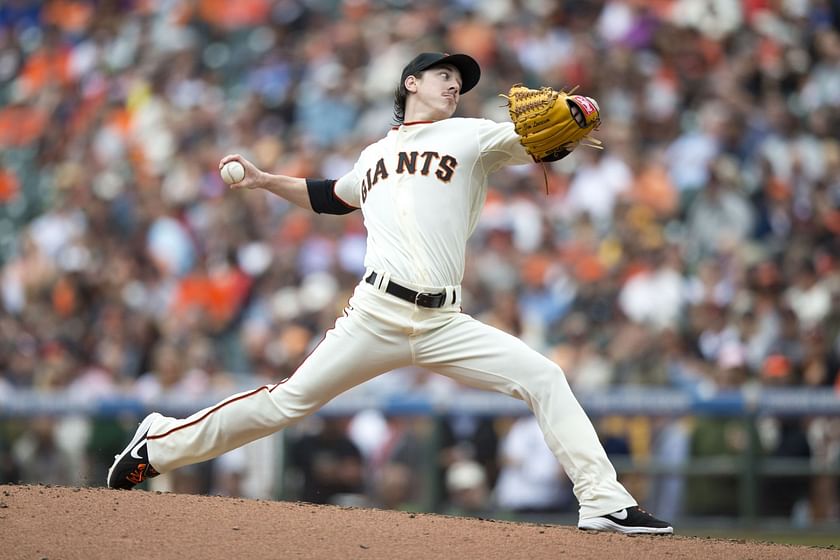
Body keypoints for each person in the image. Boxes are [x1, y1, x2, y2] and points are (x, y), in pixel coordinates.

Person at [107, 52, 673, 534]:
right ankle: (156, 444)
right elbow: (332, 196)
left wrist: (578, 114)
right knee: (287, 402)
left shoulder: (472, 135)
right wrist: (264, 180)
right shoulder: (373, 154)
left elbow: (542, 142)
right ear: (411, 83)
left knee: (544, 376)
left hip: (445, 321)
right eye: (444, 75)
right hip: (375, 313)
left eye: (461, 80)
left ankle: (604, 502)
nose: (455, 84)